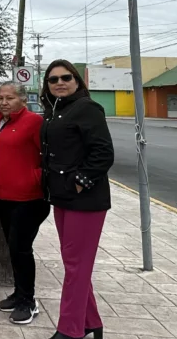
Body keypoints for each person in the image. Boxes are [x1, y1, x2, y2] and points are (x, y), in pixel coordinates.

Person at [39, 60, 114, 339]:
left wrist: (81, 182)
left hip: (85, 201)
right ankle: (91, 322)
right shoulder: (55, 111)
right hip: (62, 198)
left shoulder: (87, 109)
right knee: (74, 263)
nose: (59, 82)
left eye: (65, 77)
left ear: (77, 81)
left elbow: (103, 153)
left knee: (76, 266)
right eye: (52, 79)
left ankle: (70, 331)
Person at [0, 82, 49, 325]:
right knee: (13, 247)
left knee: (21, 249)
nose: (3, 102)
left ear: (22, 99)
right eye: (0, 97)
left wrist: (34, 178)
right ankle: (18, 292)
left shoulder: (33, 122)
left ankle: (28, 301)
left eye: (9, 98)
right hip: (2, 196)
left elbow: (50, 157)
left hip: (29, 199)